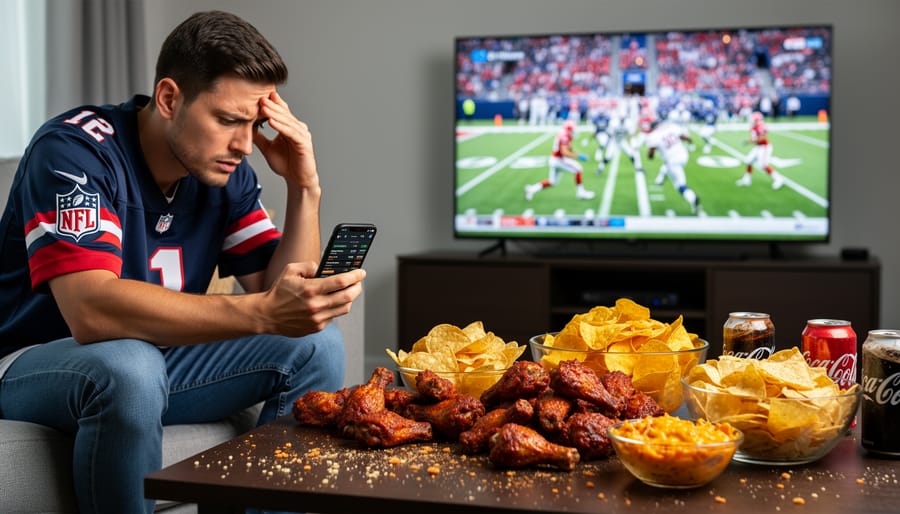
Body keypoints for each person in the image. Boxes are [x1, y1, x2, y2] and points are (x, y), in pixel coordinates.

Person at [0, 10, 365, 514]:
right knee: (130, 365)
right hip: (33, 363)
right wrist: (260, 311)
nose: (244, 145)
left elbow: (286, 296)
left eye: (254, 124)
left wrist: (304, 187)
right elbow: (92, 310)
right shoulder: (76, 149)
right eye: (228, 120)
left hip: (160, 361)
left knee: (316, 344)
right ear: (170, 98)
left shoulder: (224, 171)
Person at [525, 121, 595, 201]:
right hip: (558, 160)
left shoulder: (565, 135)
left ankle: (531, 189)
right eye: (573, 130)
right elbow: (564, 152)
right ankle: (581, 193)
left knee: (552, 182)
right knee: (578, 169)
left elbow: (569, 147)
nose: (575, 132)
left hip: (555, 159)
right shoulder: (564, 136)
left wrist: (576, 153)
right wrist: (578, 156)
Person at [646, 120, 700, 214]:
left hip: (673, 161)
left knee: (680, 185)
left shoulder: (653, 136)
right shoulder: (671, 127)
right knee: (667, 165)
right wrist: (689, 140)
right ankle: (661, 178)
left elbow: (651, 154)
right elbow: (683, 136)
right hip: (683, 155)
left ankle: (692, 198)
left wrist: (650, 154)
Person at [735, 111, 784, 189]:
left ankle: (778, 179)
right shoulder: (754, 127)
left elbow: (761, 139)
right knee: (749, 160)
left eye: (753, 120)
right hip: (758, 147)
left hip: (764, 147)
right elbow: (755, 139)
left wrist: (750, 141)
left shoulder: (760, 127)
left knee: (763, 165)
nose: (751, 121)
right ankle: (747, 180)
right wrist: (748, 141)